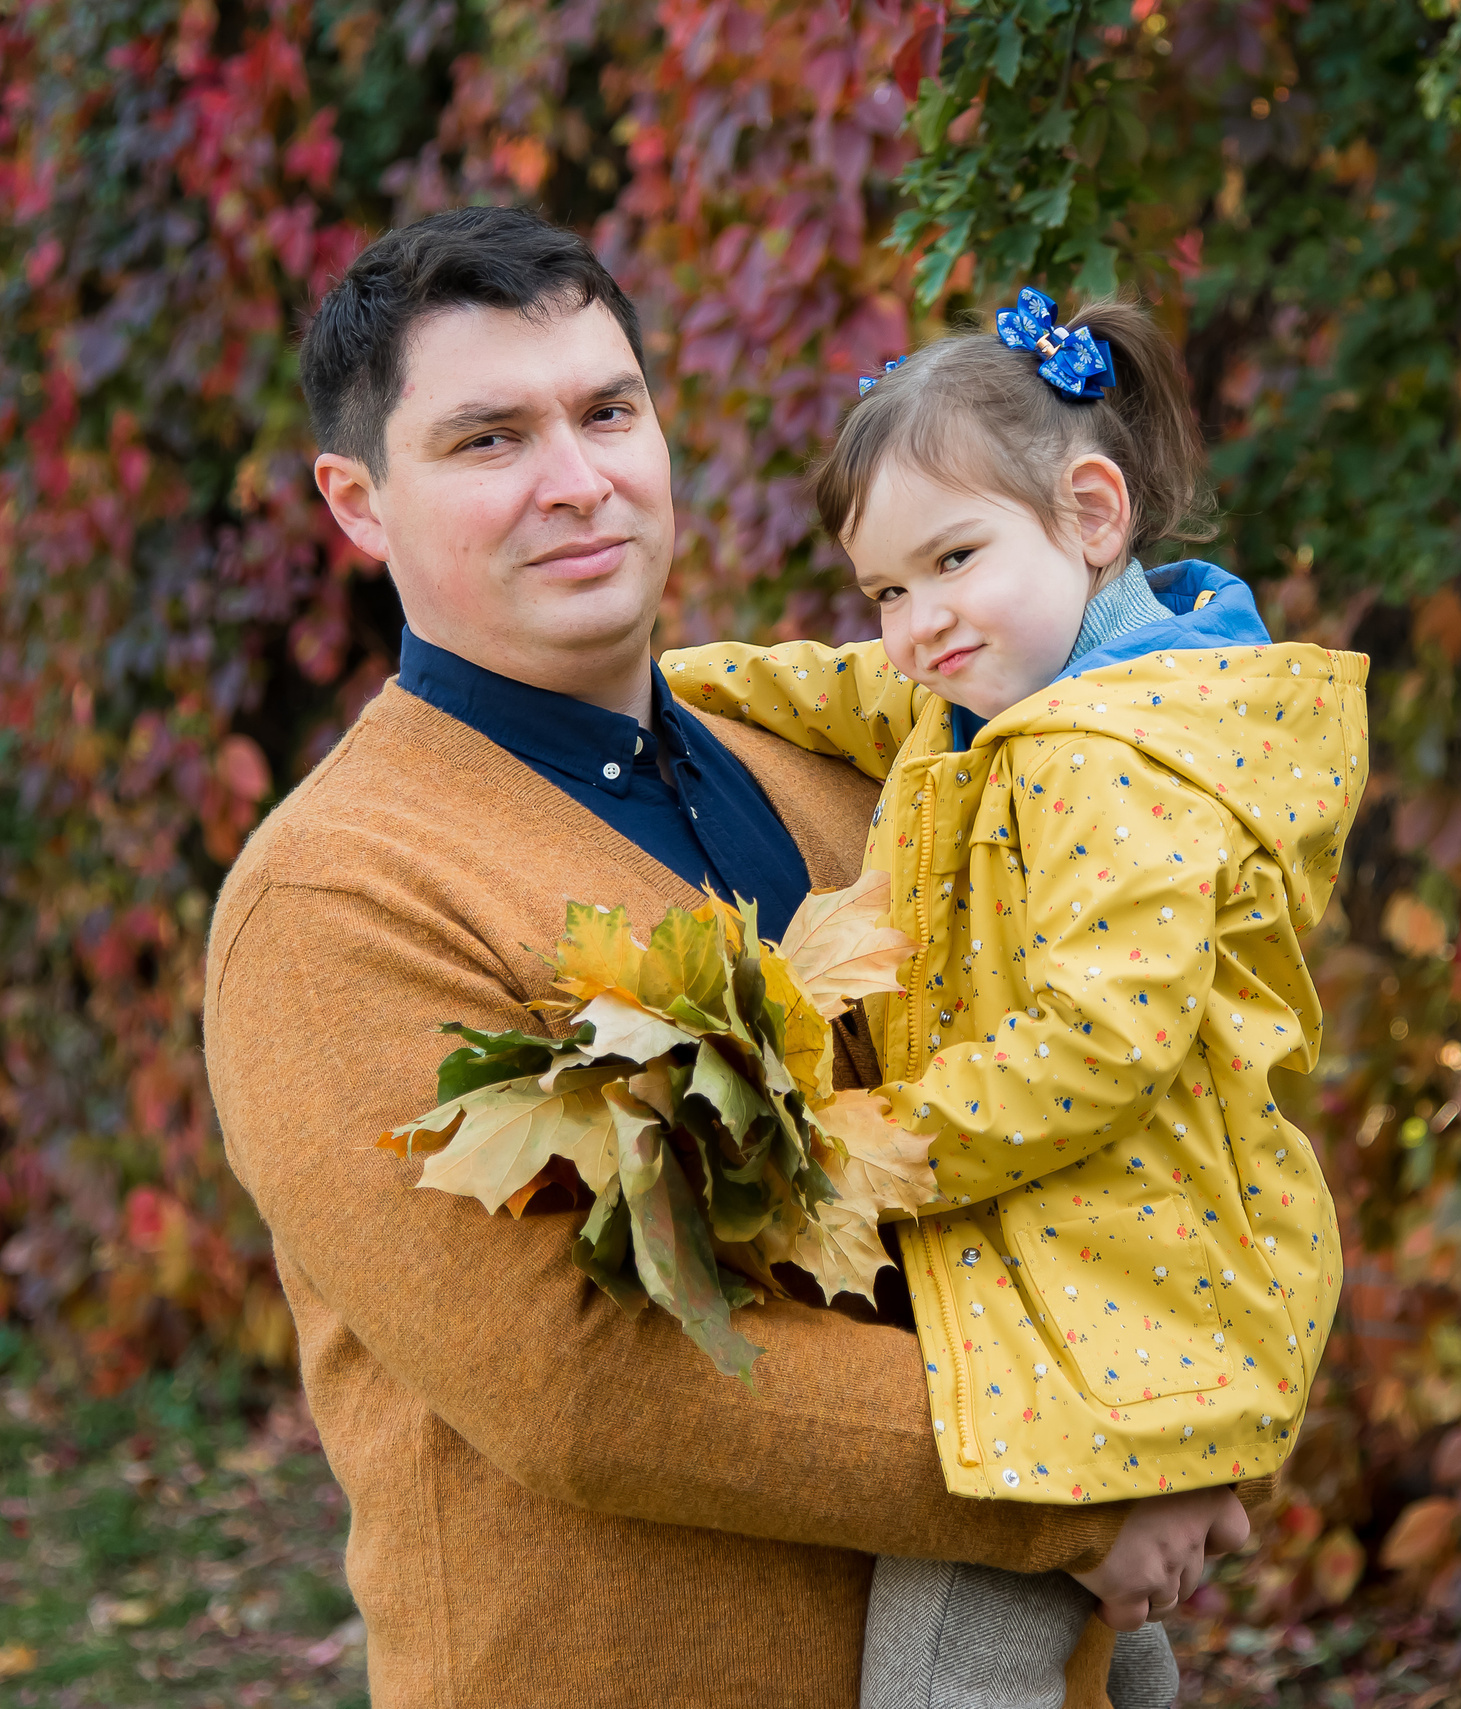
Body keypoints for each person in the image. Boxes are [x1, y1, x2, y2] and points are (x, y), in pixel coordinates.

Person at [201, 209, 1251, 1709]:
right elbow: (579, 1379)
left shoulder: (863, 765)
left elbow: (1127, 1096)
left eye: (608, 410)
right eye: (490, 439)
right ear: (357, 504)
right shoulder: (331, 902)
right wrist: (1080, 1467)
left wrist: (1198, 1391)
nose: (578, 481)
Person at [660, 289, 1369, 1709]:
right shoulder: (1005, 693)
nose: (916, 624)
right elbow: (856, 691)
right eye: (885, 587)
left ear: (1094, 512)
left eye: (950, 560)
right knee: (1108, 1648)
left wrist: (869, 1148)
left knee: (946, 1669)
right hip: (1096, 1274)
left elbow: (1098, 1044)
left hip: (1108, 1280)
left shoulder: (1111, 764)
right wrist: (658, 679)